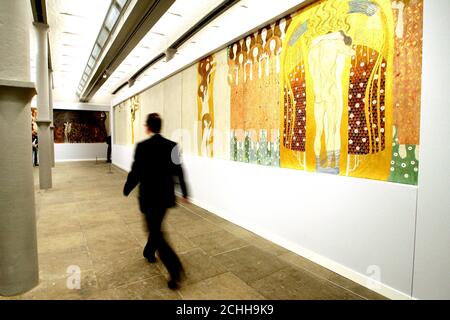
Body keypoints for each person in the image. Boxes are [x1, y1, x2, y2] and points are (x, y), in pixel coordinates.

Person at [123, 113, 189, 290]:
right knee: (155, 226)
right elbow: (179, 170)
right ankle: (148, 252)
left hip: (149, 197)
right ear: (160, 126)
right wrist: (184, 191)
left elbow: (136, 171)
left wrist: (127, 187)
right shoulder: (172, 146)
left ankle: (175, 270)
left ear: (148, 127)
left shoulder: (142, 147)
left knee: (156, 232)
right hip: (165, 197)